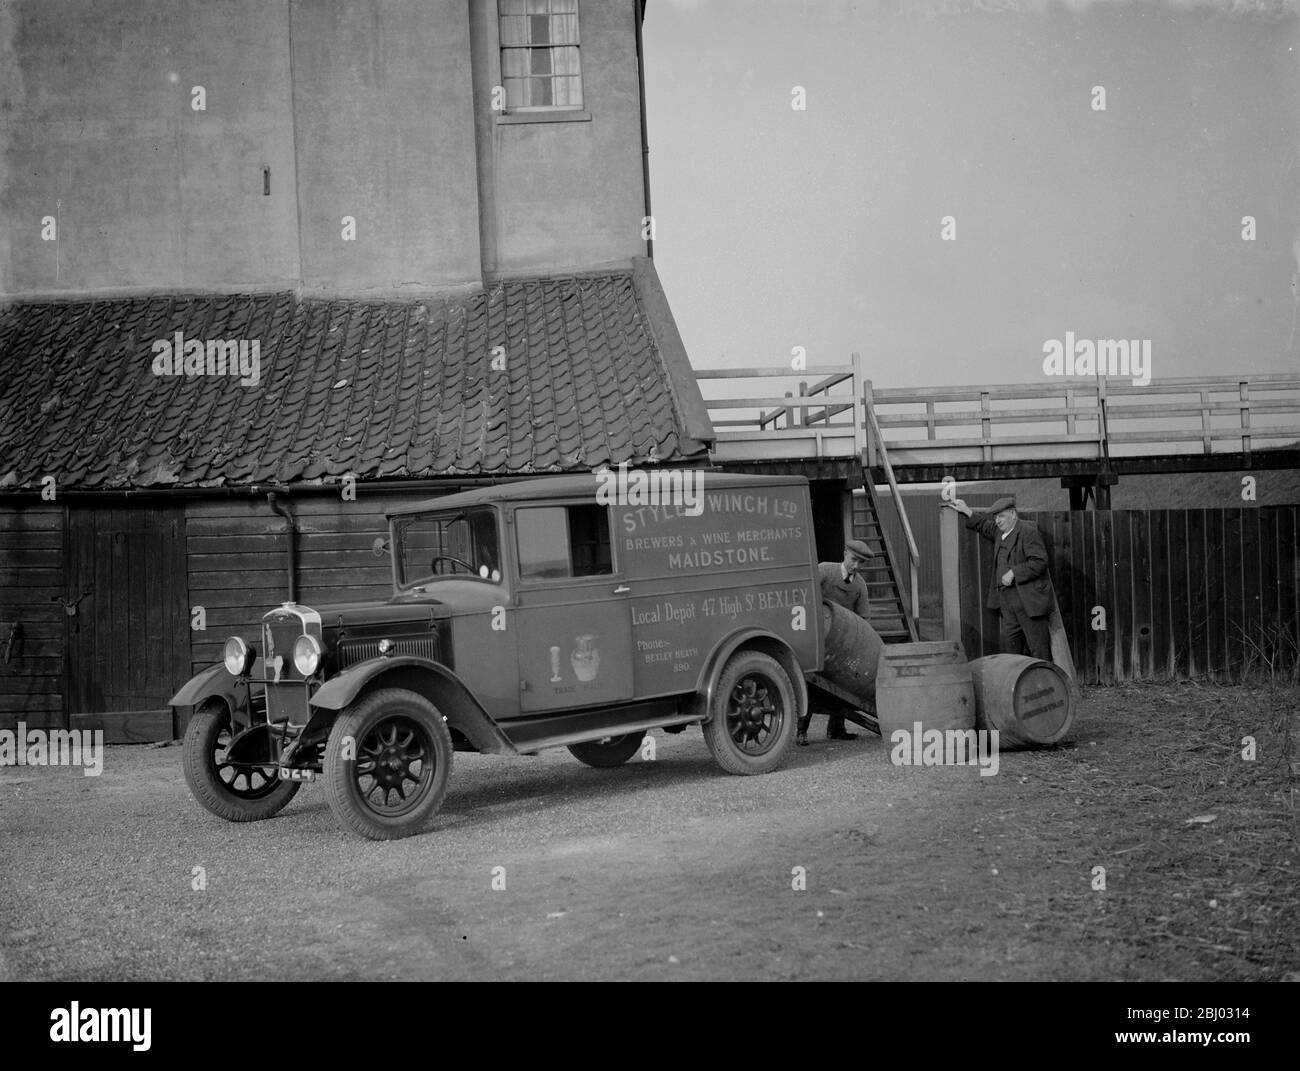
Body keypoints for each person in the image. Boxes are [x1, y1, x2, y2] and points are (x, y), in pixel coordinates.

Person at [944, 495, 1054, 661]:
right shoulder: (1000, 532)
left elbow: (1039, 562)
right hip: (1008, 603)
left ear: (1013, 514)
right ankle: (1018, 685)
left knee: (1039, 649)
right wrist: (966, 510)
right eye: (995, 517)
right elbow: (983, 525)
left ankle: (1046, 684)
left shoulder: (1027, 531)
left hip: (1029, 602)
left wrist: (1014, 572)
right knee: (1011, 650)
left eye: (1001, 516)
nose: (997, 521)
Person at [800, 539, 876, 744]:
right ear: (844, 554)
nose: (856, 566)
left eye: (861, 563)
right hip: (816, 638)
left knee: (843, 684)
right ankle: (801, 730)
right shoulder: (825, 571)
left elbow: (864, 619)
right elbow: (804, 594)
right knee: (811, 683)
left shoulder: (860, 586)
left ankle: (836, 729)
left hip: (842, 643)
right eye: (853, 560)